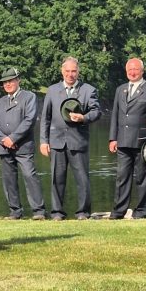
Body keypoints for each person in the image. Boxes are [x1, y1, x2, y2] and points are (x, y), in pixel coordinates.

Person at [40, 56, 102, 220]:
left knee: (82, 179)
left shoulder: (89, 90)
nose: (70, 74)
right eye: (67, 71)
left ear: (78, 72)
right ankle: (57, 212)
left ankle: (83, 212)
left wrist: (84, 118)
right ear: (62, 71)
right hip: (56, 141)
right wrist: (43, 141)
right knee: (56, 179)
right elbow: (45, 118)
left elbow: (96, 112)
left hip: (78, 141)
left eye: (73, 71)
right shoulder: (52, 90)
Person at [108, 58, 146, 219]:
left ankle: (142, 211)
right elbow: (115, 115)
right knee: (122, 177)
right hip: (123, 141)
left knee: (142, 177)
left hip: (143, 142)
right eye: (129, 70)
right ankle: (119, 211)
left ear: (142, 71)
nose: (132, 72)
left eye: (136, 70)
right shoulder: (120, 90)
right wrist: (112, 138)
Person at [0, 68, 45, 220]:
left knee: (30, 176)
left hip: (23, 146)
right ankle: (15, 212)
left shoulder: (29, 97)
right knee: (9, 179)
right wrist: (4, 140)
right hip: (4, 147)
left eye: (10, 81)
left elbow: (29, 120)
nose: (7, 84)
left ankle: (38, 211)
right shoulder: (0, 102)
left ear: (18, 80)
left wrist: (13, 138)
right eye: (4, 82)